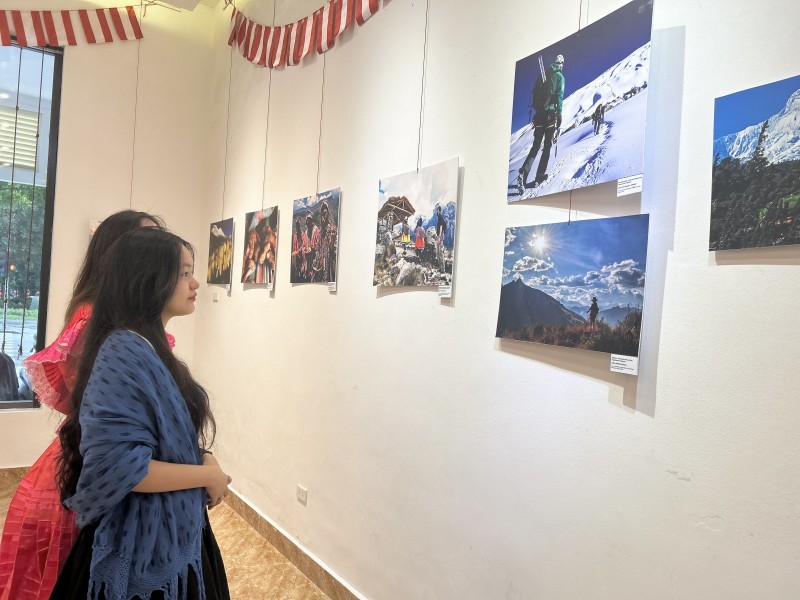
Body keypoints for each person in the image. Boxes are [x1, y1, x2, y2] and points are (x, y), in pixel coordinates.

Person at [51, 227, 230, 600]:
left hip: (172, 528)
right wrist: (205, 475)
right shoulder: (123, 351)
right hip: (138, 548)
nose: (195, 283)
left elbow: (158, 440)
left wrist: (202, 458)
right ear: (147, 278)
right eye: (183, 272)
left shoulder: (146, 345)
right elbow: (122, 467)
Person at [0, 210, 165, 600]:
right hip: (88, 472)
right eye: (149, 247)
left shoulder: (124, 320)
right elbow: (103, 419)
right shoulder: (97, 320)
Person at [517, 54, 565, 190]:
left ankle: (523, 172)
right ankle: (539, 175)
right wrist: (559, 114)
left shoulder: (542, 77)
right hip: (550, 115)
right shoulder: (559, 77)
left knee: (536, 146)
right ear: (561, 64)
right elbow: (559, 96)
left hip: (538, 117)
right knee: (547, 145)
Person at [435, 205, 447, 272]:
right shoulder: (439, 217)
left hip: (440, 236)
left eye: (437, 210)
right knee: (438, 253)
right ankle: (440, 267)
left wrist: (439, 237)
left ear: (439, 211)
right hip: (439, 236)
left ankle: (443, 269)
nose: (436, 211)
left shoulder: (440, 217)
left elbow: (441, 227)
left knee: (440, 253)